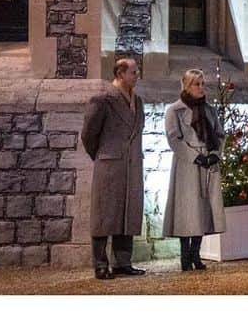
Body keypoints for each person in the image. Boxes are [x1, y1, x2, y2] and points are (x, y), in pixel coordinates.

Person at [80, 57, 147, 280]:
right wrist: (102, 157)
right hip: (110, 164)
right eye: (133, 72)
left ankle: (123, 262)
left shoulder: (138, 101)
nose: (137, 76)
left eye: (137, 72)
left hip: (132, 164)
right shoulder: (102, 100)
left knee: (127, 212)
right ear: (120, 74)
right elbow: (89, 135)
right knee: (104, 215)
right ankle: (100, 264)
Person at [162, 68, 225, 271]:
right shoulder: (174, 110)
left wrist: (215, 153)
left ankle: (196, 254)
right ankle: (185, 256)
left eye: (202, 83)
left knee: (203, 209)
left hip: (208, 161)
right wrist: (194, 156)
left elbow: (219, 134)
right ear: (187, 86)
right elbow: (174, 139)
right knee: (187, 210)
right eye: (196, 84)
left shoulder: (209, 110)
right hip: (187, 164)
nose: (201, 88)